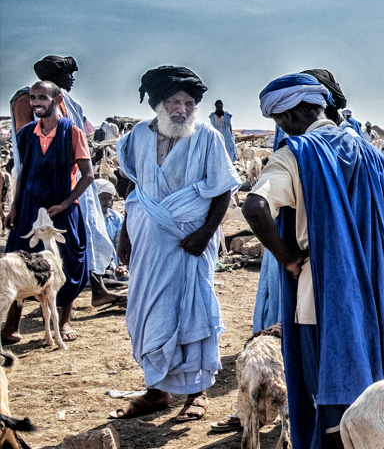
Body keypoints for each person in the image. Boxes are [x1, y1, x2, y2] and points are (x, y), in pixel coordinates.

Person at [243, 73, 384, 449]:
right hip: (374, 292)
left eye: (281, 118)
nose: (282, 126)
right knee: (379, 385)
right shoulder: (371, 155)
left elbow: (254, 206)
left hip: (323, 295)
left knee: (332, 393)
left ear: (293, 113)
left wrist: (288, 259)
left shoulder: (296, 154)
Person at [107, 65, 239, 420]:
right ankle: (156, 391)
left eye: (189, 103)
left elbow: (223, 189)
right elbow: (135, 189)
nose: (182, 109)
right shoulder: (136, 136)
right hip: (148, 240)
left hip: (189, 242)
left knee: (192, 311)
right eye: (174, 102)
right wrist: (125, 234)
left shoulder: (208, 137)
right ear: (157, 104)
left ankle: (197, 393)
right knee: (147, 312)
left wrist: (205, 234)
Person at [9, 55, 121, 311]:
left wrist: (68, 199)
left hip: (70, 191)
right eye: (68, 74)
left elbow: (86, 168)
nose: (72, 79)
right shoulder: (25, 104)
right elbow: (30, 154)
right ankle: (18, 319)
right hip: (36, 194)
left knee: (74, 248)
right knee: (27, 250)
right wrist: (17, 203)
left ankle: (85, 297)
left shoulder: (71, 111)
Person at [2, 81, 93, 346]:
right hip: (30, 207)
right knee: (18, 259)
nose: (36, 103)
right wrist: (15, 207)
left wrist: (66, 203)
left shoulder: (73, 133)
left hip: (60, 209)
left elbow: (87, 176)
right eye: (33, 98)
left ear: (57, 98)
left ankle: (63, 323)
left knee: (68, 261)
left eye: (42, 97)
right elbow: (23, 172)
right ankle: (11, 327)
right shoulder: (27, 133)